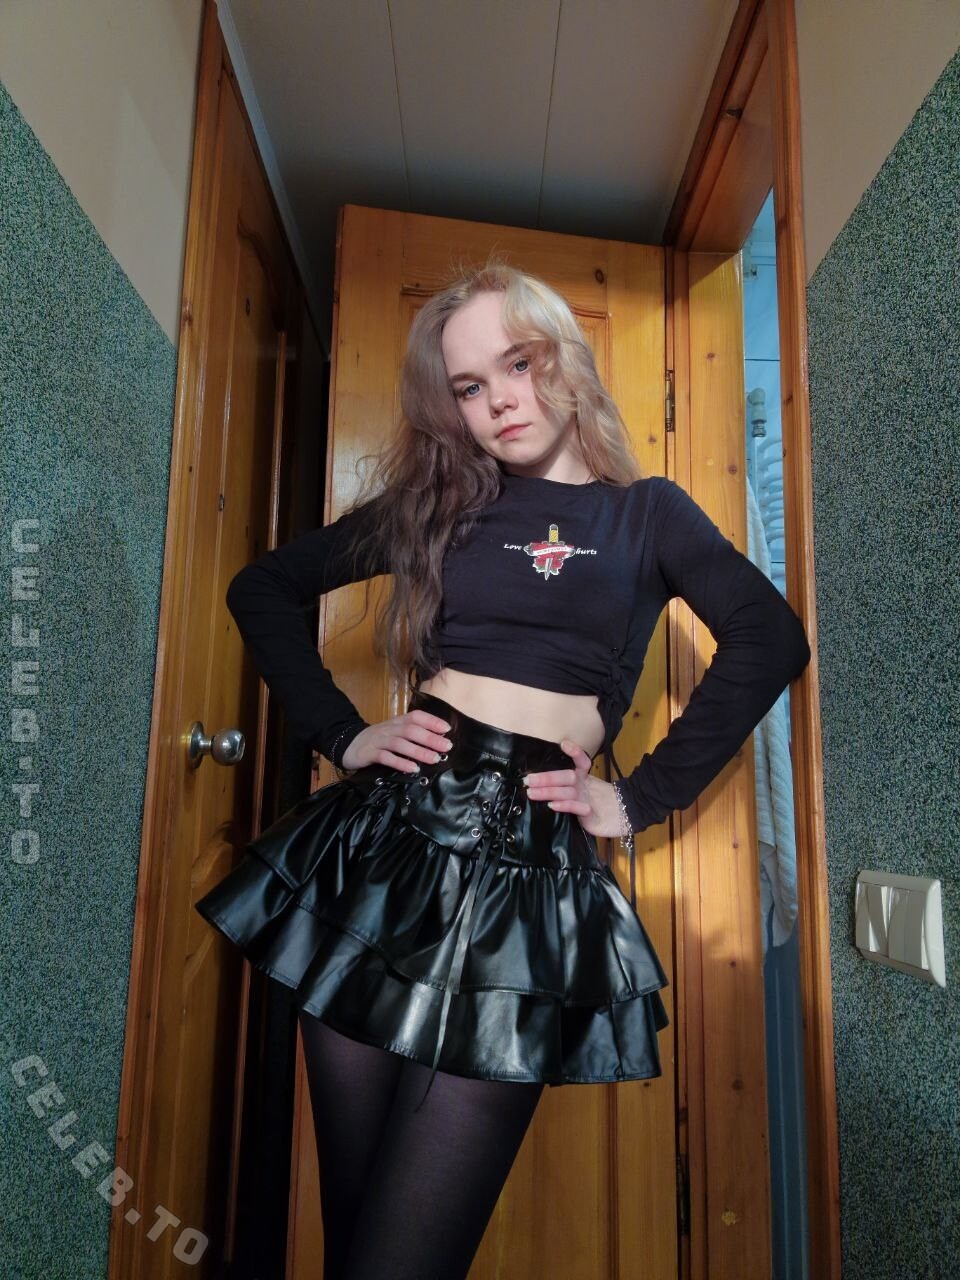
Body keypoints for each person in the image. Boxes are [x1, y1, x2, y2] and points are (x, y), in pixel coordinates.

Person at [195, 258, 811, 1280]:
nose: (499, 401)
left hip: (531, 874)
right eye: (470, 386)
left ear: (563, 356)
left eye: (517, 364)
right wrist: (343, 733)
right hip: (380, 855)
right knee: (359, 1238)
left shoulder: (648, 515)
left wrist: (640, 797)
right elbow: (264, 586)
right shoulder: (442, 505)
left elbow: (769, 637)